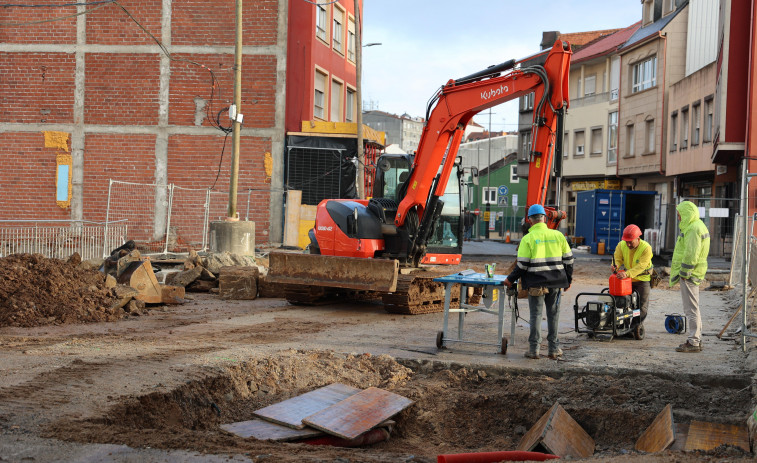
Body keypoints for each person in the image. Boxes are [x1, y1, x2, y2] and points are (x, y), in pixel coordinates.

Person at [503, 204, 573, 359]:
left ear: (530, 220)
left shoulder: (527, 239)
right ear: (545, 218)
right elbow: (569, 260)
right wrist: (568, 280)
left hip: (535, 283)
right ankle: (553, 349)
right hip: (556, 283)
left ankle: (534, 350)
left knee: (535, 315)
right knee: (553, 315)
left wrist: (509, 279)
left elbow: (522, 265)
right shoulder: (558, 236)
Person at [670, 200, 710, 353]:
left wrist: (685, 273)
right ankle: (696, 339)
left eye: (679, 214)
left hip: (690, 275)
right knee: (693, 308)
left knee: (691, 309)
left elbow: (691, 254)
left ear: (686, 213)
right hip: (696, 272)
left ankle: (693, 342)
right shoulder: (697, 226)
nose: (678, 217)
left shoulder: (693, 229)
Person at [612, 224, 653, 327]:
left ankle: (636, 327)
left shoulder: (646, 248)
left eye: (630, 242)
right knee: (622, 303)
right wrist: (615, 266)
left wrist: (626, 273)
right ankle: (623, 327)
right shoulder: (621, 245)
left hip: (642, 279)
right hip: (627, 280)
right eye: (627, 242)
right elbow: (617, 258)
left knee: (641, 305)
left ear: (638, 239)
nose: (628, 244)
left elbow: (641, 266)